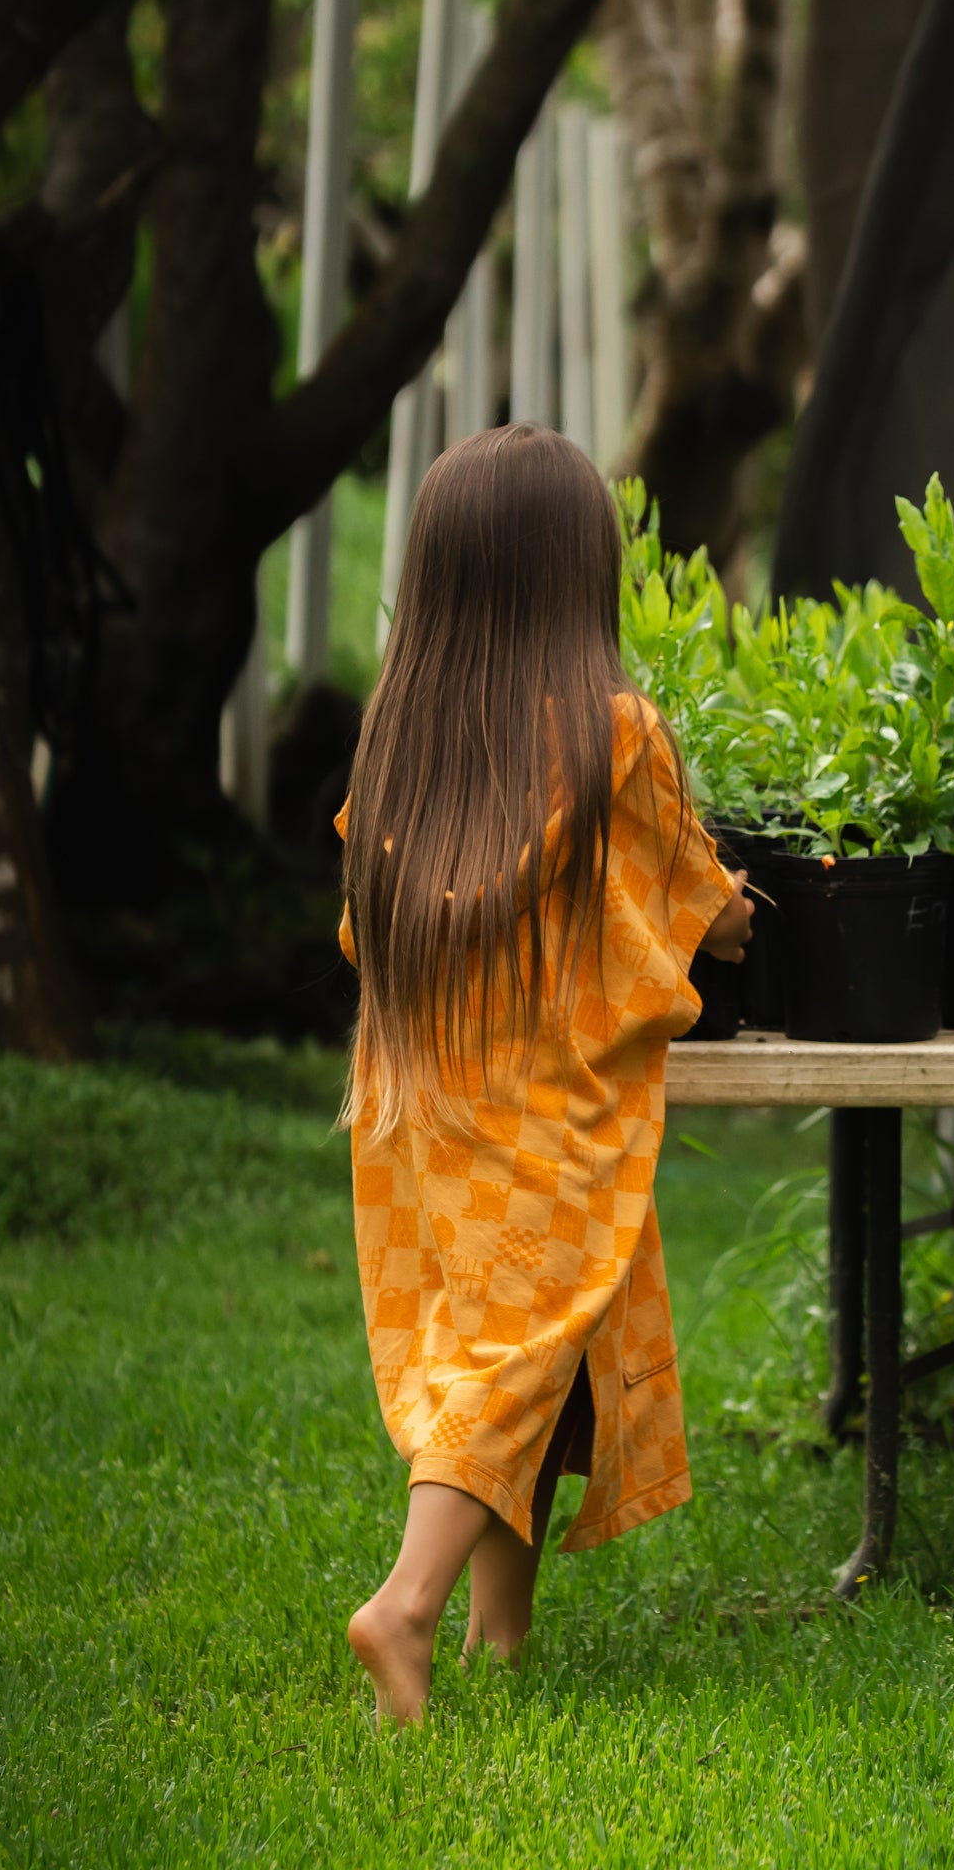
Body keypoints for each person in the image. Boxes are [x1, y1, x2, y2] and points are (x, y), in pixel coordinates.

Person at [335, 424, 753, 1726]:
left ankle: (496, 1641)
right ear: (581, 576)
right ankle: (402, 1609)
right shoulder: (614, 736)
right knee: (516, 1358)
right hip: (548, 1119)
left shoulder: (403, 736)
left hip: (423, 1117)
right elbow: (694, 912)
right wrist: (737, 905)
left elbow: (366, 919)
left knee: (532, 1355)